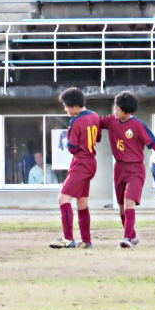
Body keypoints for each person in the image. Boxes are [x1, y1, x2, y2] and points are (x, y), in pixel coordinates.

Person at [100, 91, 155, 249]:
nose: (115, 111)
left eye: (118, 108)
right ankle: (133, 235)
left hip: (135, 169)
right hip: (119, 168)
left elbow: (154, 145)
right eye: (114, 107)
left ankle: (127, 238)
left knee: (129, 202)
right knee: (121, 207)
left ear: (127, 111)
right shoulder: (111, 121)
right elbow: (95, 123)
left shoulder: (138, 126)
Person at [50, 87, 101, 249]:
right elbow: (98, 138)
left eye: (65, 106)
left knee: (63, 199)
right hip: (91, 162)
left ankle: (68, 239)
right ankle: (86, 241)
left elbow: (72, 147)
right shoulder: (94, 116)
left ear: (72, 106)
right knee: (82, 202)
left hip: (81, 163)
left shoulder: (76, 121)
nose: (65, 110)